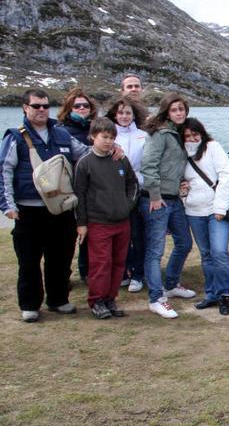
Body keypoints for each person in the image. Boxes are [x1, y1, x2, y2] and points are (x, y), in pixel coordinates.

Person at [0, 89, 91, 322]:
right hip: (28, 210)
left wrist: (112, 150)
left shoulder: (61, 134)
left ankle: (58, 299)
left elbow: (86, 155)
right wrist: (8, 205)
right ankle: (30, 304)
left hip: (61, 208)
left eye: (45, 106)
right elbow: (4, 171)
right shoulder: (15, 137)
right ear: (25, 107)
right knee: (29, 260)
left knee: (60, 257)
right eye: (36, 105)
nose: (42, 110)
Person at [73, 118, 138, 319]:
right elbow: (79, 195)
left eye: (111, 137)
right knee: (101, 264)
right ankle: (97, 301)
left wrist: (127, 206)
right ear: (93, 136)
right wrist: (82, 223)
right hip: (98, 222)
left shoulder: (120, 159)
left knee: (119, 262)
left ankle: (110, 298)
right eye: (104, 137)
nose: (108, 141)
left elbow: (133, 185)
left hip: (122, 221)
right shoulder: (85, 163)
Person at [140, 93, 195, 319]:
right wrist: (154, 195)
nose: (179, 113)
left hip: (174, 198)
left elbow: (172, 165)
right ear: (166, 112)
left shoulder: (177, 134)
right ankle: (156, 298)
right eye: (174, 110)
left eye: (181, 109)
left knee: (184, 242)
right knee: (155, 250)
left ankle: (171, 284)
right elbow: (148, 164)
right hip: (157, 199)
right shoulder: (159, 134)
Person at [180, 118, 229, 315]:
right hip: (194, 210)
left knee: (219, 252)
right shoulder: (181, 154)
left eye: (195, 134)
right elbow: (181, 180)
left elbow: (227, 175)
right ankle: (211, 293)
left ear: (201, 133)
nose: (192, 138)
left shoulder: (213, 147)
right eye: (187, 135)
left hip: (215, 209)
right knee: (206, 254)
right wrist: (182, 190)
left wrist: (221, 207)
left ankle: (224, 295)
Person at [106, 96, 149, 293]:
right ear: (115, 114)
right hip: (115, 192)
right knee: (119, 235)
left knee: (137, 235)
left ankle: (139, 274)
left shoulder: (143, 135)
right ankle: (123, 271)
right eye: (121, 112)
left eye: (128, 113)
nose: (124, 116)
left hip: (139, 191)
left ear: (134, 115)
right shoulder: (109, 136)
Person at [57, 87, 98, 283]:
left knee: (88, 233)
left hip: (92, 189)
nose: (82, 108)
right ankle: (62, 276)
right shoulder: (61, 130)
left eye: (85, 105)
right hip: (68, 189)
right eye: (77, 105)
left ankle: (87, 271)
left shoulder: (95, 128)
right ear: (68, 108)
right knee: (66, 236)